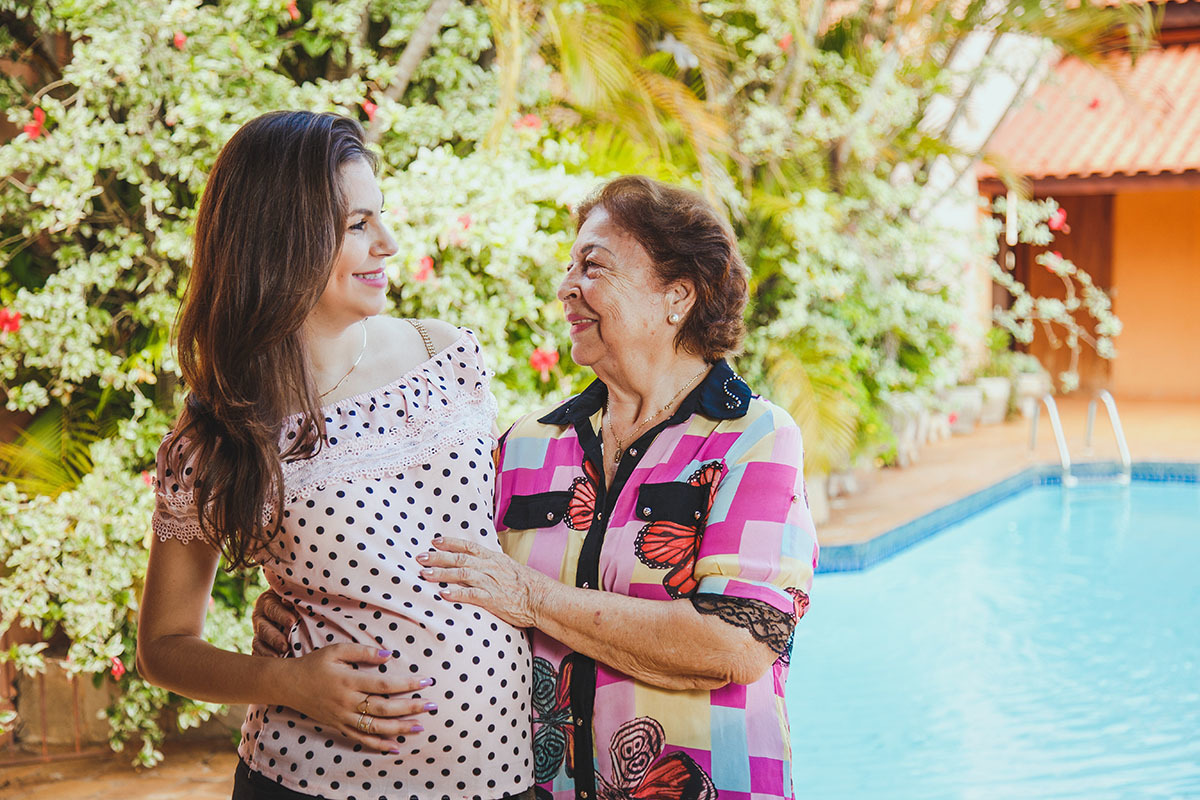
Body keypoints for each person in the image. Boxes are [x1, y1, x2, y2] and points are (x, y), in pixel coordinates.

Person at [257, 175, 818, 800]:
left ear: (676, 296)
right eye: (569, 265)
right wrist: (314, 607)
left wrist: (533, 598)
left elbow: (734, 645)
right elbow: (426, 569)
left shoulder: (756, 438)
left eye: (593, 266)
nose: (566, 286)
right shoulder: (527, 444)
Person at [136, 110, 534, 800]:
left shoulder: (449, 354)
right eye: (356, 225)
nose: (387, 244)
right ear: (278, 242)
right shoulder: (217, 433)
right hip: (314, 782)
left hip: (504, 777)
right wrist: (284, 680)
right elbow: (163, 647)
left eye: (381, 217)